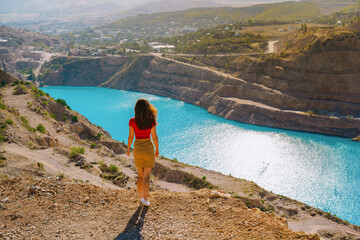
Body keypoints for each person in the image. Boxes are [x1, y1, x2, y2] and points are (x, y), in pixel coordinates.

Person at [127, 98, 159, 207]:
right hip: (148, 149)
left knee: (140, 176)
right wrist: (157, 149)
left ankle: (141, 197)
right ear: (147, 108)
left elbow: (131, 136)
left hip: (138, 149)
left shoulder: (132, 121)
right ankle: (145, 199)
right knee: (147, 176)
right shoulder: (151, 121)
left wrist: (128, 149)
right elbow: (154, 137)